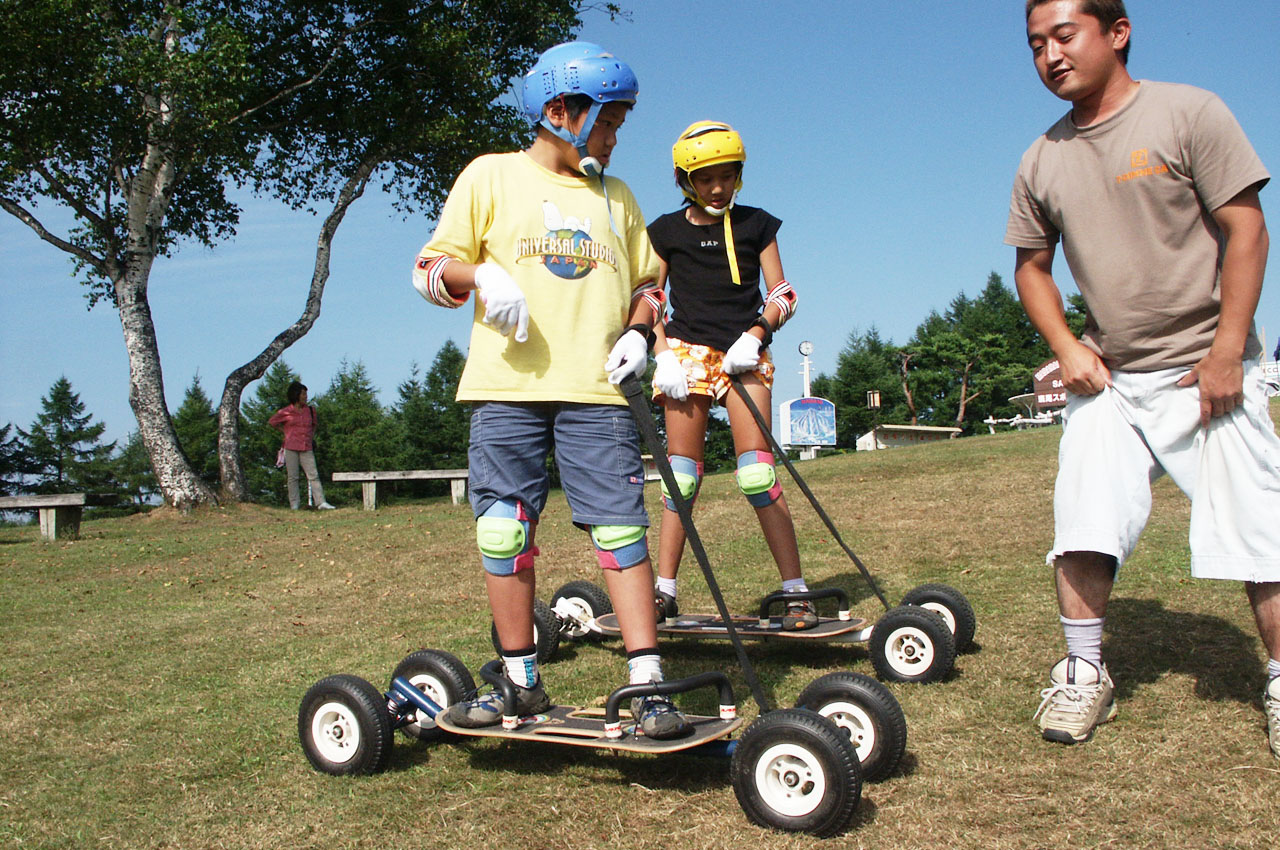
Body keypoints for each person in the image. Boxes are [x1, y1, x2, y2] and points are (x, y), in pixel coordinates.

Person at [1007, 0, 1279, 756]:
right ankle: (1084, 673)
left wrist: (1227, 351)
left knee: (1263, 535)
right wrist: (1067, 345)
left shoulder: (1190, 112)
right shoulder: (1041, 157)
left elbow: (1247, 228)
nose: (1050, 56)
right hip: (1112, 381)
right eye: (1036, 45)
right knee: (1083, 524)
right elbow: (1031, 269)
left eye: (1065, 35)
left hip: (1208, 368)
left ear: (1116, 32)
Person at [410, 41, 691, 739]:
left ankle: (648, 685)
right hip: (506, 389)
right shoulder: (490, 176)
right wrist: (481, 278)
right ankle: (518, 682)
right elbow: (428, 270)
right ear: (561, 110)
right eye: (609, 121)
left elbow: (650, 286)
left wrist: (639, 332)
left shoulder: (615, 196)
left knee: (622, 529)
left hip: (597, 393)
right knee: (503, 530)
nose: (616, 137)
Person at [646, 121, 815, 630]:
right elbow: (650, 298)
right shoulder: (665, 231)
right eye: (707, 178)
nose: (718, 187)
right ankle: (663, 591)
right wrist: (662, 353)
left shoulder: (758, 224)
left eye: (728, 176)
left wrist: (757, 333)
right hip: (687, 352)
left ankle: (796, 592)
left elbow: (783, 292)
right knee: (681, 476)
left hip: (744, 351)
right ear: (686, 180)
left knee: (758, 473)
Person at [269, 381, 335, 511]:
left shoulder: (310, 410)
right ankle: (294, 504)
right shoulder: (286, 411)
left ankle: (321, 502)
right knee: (293, 477)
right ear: (296, 395)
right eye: (303, 394)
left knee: (313, 475)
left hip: (306, 446)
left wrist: (310, 436)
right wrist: (286, 432)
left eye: (306, 394)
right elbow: (272, 422)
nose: (305, 396)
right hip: (291, 446)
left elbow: (314, 425)